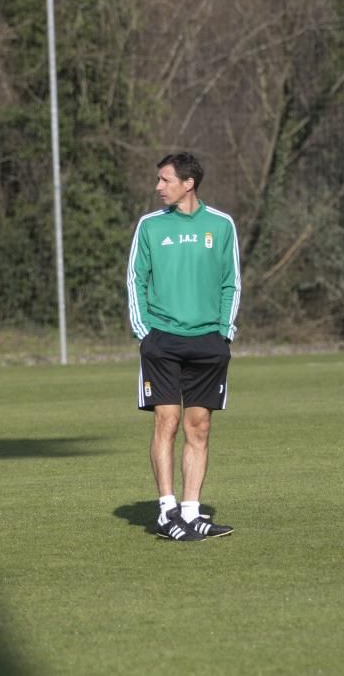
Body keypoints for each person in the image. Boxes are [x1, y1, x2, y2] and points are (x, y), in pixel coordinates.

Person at [127, 152, 241, 541]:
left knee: (200, 426)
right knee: (167, 422)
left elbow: (232, 281)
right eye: (158, 180)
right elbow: (135, 280)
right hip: (162, 340)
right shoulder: (150, 226)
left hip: (209, 341)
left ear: (188, 183)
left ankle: (191, 513)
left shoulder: (221, 224)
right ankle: (166, 511)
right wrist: (144, 331)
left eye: (165, 180)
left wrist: (224, 332)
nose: (158, 187)